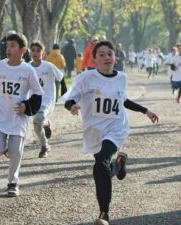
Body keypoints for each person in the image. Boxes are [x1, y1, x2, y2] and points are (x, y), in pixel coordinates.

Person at [64, 41, 159, 225]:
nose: (107, 57)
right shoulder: (87, 78)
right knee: (103, 168)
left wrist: (145, 111)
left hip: (116, 128)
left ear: (114, 58)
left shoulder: (121, 77)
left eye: (110, 54)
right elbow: (71, 97)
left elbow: (123, 100)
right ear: (94, 60)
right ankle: (119, 164)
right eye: (102, 55)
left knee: (100, 164)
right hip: (94, 130)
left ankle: (103, 214)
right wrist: (72, 106)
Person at [0, 33, 44, 197]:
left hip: (17, 117)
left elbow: (38, 93)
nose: (8, 49)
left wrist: (27, 107)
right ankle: (7, 151)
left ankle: (12, 183)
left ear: (22, 50)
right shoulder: (0, 65)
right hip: (0, 115)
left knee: (17, 152)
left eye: (13, 46)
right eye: (7, 46)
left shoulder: (28, 70)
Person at [31, 42, 67, 158]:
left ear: (43, 53)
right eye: (33, 50)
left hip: (48, 99)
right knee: (37, 124)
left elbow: (61, 77)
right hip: (34, 100)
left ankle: (45, 122)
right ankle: (44, 145)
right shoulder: (27, 67)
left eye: (38, 50)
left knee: (38, 118)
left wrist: (64, 92)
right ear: (30, 52)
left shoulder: (48, 66)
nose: (35, 53)